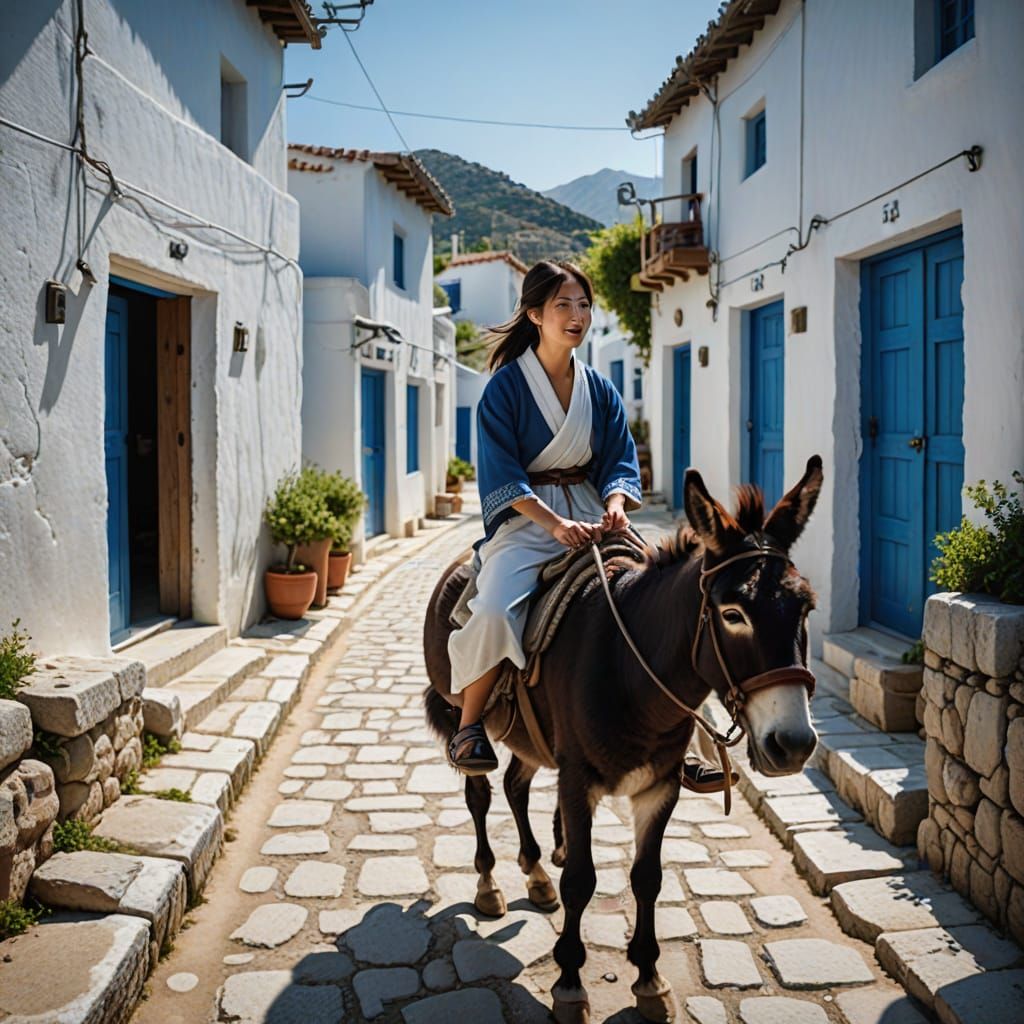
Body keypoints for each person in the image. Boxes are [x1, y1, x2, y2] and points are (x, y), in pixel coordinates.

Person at [445, 259, 642, 774]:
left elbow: (619, 457)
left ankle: (689, 743)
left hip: (593, 513)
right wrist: (553, 524)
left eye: (583, 305)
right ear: (534, 313)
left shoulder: (600, 389)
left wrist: (616, 506)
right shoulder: (505, 389)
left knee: (668, 593)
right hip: (528, 521)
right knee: (492, 609)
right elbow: (502, 471)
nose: (577, 315)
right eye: (563, 306)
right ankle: (468, 725)